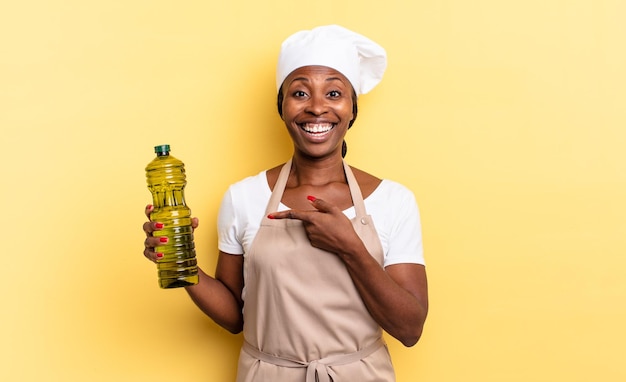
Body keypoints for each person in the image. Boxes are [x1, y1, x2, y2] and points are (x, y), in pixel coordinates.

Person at [143, 24, 428, 382]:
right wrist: (182, 266)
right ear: (282, 107)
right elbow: (235, 317)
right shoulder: (243, 197)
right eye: (300, 93)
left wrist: (351, 248)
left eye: (334, 93)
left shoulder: (393, 200)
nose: (317, 107)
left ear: (352, 109)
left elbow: (410, 329)